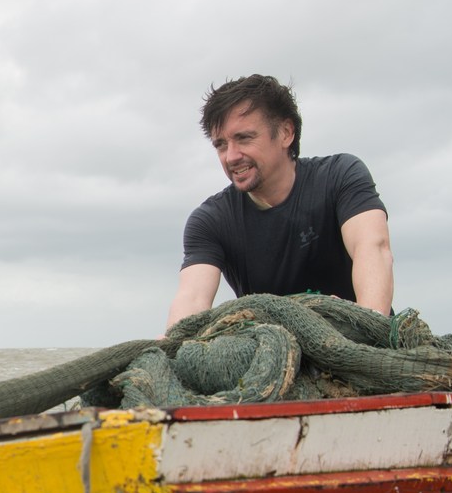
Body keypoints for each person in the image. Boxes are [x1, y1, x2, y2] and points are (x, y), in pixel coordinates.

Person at [164, 73, 394, 333]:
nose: (231, 156)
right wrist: (172, 340)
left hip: (354, 337)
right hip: (274, 355)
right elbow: (192, 298)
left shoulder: (340, 175)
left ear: (286, 133)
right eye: (221, 145)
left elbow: (373, 248)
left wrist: (367, 325)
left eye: (244, 138)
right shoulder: (210, 220)